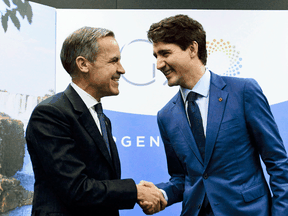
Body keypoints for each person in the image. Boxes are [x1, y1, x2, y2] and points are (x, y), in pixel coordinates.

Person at [142, 14, 288, 215]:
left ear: (192, 49)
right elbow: (182, 178)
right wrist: (161, 193)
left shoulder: (243, 92)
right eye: (156, 56)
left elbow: (278, 163)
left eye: (165, 53)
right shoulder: (165, 115)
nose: (158, 64)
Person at [26, 26, 166, 216]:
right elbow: (76, 189)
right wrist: (135, 191)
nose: (122, 70)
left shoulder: (101, 118)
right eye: (114, 61)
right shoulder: (51, 114)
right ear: (83, 64)